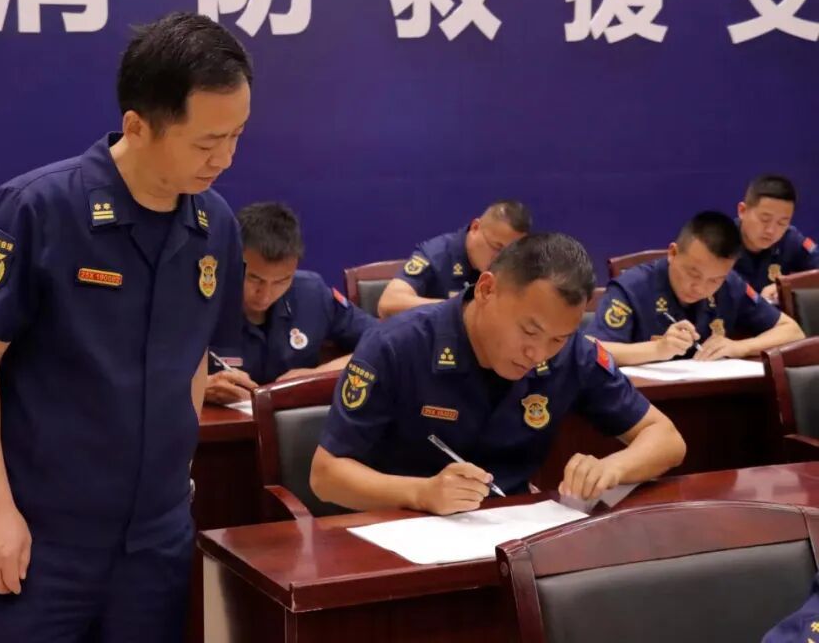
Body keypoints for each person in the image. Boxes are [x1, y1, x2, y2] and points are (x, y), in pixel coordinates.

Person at [0, 12, 251, 642]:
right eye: (205, 143)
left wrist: (175, 474)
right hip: (41, 535)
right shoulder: (37, 209)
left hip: (156, 541)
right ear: (138, 126)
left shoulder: (216, 226)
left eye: (237, 136)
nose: (224, 159)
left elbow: (193, 356)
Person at [309, 233, 686, 514]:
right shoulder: (397, 345)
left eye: (557, 339)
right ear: (487, 290)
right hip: (399, 529)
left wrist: (611, 467)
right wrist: (420, 493)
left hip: (511, 534)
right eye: (529, 331)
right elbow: (326, 476)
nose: (537, 353)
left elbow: (667, 438)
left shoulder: (573, 355)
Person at [205, 202, 376, 404]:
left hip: (296, 419)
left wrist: (316, 376)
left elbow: (383, 344)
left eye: (281, 281)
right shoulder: (201, 298)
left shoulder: (312, 294)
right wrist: (202, 385)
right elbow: (169, 370)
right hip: (219, 420)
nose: (265, 295)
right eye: (254, 278)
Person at [589, 211, 804, 366]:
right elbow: (590, 349)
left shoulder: (730, 285)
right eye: (693, 274)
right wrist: (656, 349)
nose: (700, 288)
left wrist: (740, 347)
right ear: (673, 253)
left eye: (714, 280)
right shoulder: (632, 286)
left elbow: (793, 331)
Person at [377, 200, 532, 319]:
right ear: (475, 227)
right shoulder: (436, 254)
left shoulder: (513, 264)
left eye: (509, 252)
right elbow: (388, 304)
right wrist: (459, 307)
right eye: (496, 247)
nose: (501, 259)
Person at [734, 174, 818, 303]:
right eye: (765, 219)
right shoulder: (718, 243)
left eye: (782, 223)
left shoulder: (790, 240)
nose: (771, 230)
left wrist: (787, 286)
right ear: (742, 211)